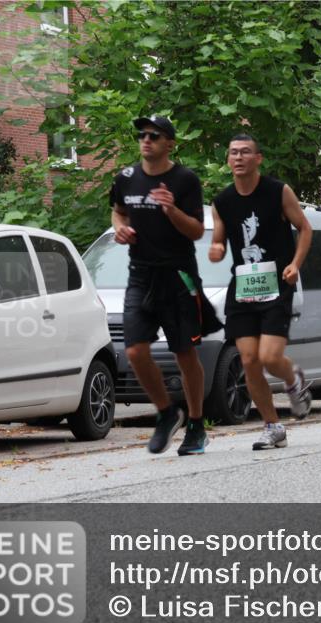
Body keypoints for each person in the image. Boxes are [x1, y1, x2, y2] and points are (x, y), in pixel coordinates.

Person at [111, 115, 220, 456]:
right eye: (142, 135)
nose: (146, 140)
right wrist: (120, 228)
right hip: (140, 275)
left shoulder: (184, 180)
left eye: (154, 136)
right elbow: (118, 211)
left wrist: (171, 210)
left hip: (178, 275)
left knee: (184, 353)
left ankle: (196, 425)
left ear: (169, 143)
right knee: (134, 351)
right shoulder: (126, 178)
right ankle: (166, 412)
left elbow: (195, 231)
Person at [208, 134, 313, 449]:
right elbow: (218, 239)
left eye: (245, 152)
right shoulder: (222, 202)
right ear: (228, 160)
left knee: (269, 357)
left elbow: (305, 228)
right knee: (249, 360)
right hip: (243, 287)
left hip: (277, 284)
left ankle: (293, 380)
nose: (238, 157)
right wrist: (216, 249)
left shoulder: (278, 192)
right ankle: (272, 426)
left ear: (258, 158)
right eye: (233, 153)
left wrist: (295, 264)